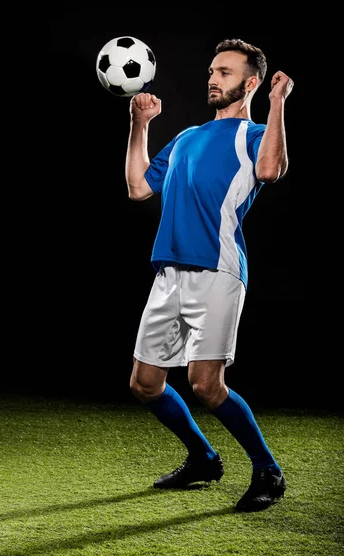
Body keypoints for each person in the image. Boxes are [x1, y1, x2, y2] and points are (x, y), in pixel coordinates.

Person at [125, 38, 294, 512]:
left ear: (251, 82)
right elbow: (139, 187)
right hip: (168, 274)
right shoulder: (185, 137)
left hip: (218, 272)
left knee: (205, 384)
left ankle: (268, 471)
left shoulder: (255, 134)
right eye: (211, 71)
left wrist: (277, 105)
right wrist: (140, 125)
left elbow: (270, 170)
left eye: (224, 72)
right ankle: (203, 457)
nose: (212, 78)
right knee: (144, 384)